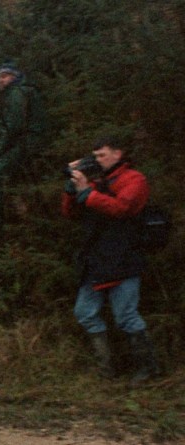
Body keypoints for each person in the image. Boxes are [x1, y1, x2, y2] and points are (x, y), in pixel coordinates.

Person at [62, 137, 160, 385]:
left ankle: (147, 368)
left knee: (125, 315)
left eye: (102, 155)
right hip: (96, 259)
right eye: (95, 156)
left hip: (123, 258)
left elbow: (122, 208)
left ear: (118, 154)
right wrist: (71, 189)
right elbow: (70, 214)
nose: (97, 160)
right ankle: (107, 368)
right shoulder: (97, 182)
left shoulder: (134, 179)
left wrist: (88, 193)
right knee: (85, 312)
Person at [0, 61, 44, 239]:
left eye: (5, 76)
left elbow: (14, 128)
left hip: (26, 144)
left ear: (15, 77)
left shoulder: (17, 93)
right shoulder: (16, 93)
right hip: (20, 142)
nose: (0, 80)